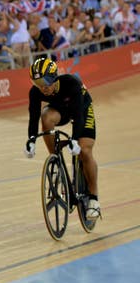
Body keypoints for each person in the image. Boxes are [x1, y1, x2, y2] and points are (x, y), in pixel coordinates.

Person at [24, 55, 100, 218]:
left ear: (53, 77)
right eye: (37, 84)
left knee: (85, 151)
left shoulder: (71, 83)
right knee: (46, 117)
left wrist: (74, 140)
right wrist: (31, 139)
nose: (42, 88)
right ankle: (56, 158)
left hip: (82, 109)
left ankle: (94, 198)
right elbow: (34, 116)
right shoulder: (36, 92)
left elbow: (78, 116)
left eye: (44, 83)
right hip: (61, 110)